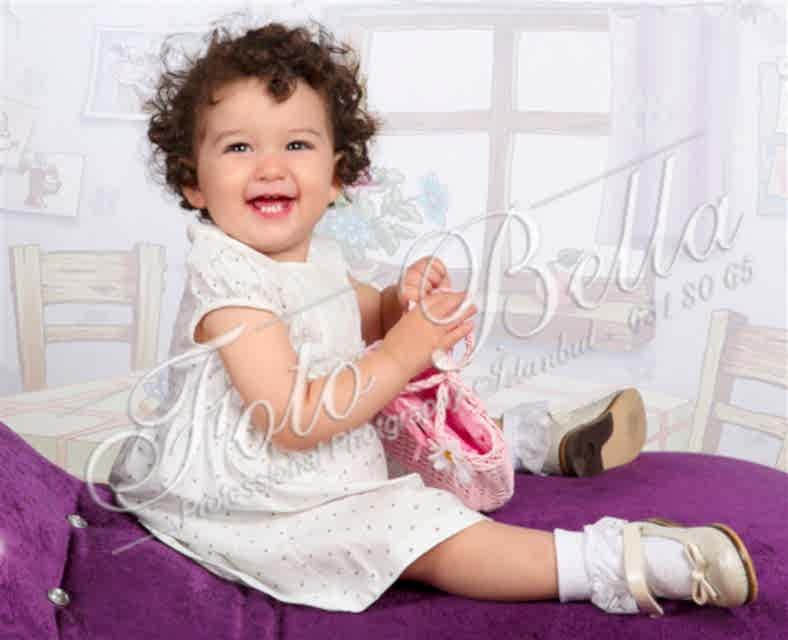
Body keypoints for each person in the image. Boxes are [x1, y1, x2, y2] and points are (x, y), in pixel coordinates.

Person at [108, 19, 758, 617]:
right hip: (255, 499)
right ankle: (618, 562)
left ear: (336, 176)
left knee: (413, 425)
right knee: (420, 532)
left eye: (297, 143)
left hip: (330, 452)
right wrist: (401, 351)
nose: (270, 166)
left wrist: (401, 304)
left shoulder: (315, 257)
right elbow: (294, 421)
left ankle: (525, 441)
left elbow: (361, 316)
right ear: (194, 181)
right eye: (239, 147)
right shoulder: (230, 285)